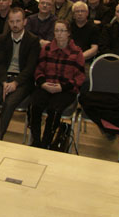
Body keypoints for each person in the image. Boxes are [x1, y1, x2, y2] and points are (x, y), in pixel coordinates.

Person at [29, 20, 85, 148]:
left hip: (65, 89)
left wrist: (62, 87)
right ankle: (36, 140)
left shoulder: (77, 52)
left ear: (68, 33)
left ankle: (47, 142)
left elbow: (80, 77)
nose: (59, 34)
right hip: (46, 86)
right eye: (56, 31)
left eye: (62, 31)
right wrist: (43, 83)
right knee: (34, 105)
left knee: (54, 110)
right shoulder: (47, 48)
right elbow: (39, 69)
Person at [0, 8, 41, 140]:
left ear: (25, 22)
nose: (15, 24)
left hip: (22, 81)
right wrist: (5, 82)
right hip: (4, 78)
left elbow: (30, 68)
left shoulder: (33, 41)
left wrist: (15, 83)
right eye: (12, 21)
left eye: (18, 21)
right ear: (8, 23)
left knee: (10, 102)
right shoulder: (2, 39)